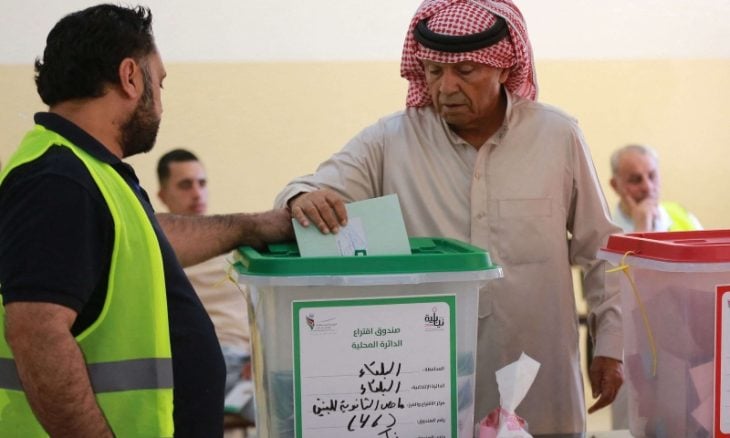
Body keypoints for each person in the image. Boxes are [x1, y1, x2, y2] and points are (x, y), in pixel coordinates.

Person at [275, 0, 623, 435]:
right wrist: (301, 198)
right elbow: (307, 190)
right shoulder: (391, 140)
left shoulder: (557, 135)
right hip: (425, 385)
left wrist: (611, 344)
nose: (446, 87)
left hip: (539, 375)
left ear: (503, 67)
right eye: (434, 72)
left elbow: (601, 249)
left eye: (465, 71)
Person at [0, 5, 291, 437]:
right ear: (131, 77)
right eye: (160, 81)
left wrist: (253, 226)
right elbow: (36, 334)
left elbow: (151, 243)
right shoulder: (58, 180)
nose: (161, 101)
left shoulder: (87, 171)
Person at [157, 148, 255, 423]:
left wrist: (259, 358)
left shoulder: (233, 247)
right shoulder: (157, 253)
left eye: (202, 183)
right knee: (282, 413)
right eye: (185, 185)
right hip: (199, 363)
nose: (197, 193)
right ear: (162, 196)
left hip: (250, 362)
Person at [609, 143, 702, 233]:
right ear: (615, 185)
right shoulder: (607, 233)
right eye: (635, 180)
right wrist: (642, 230)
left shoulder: (683, 216)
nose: (648, 187)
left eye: (652, 176)